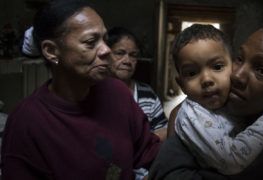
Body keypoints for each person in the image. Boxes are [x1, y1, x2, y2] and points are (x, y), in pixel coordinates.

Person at [149, 21, 263, 180]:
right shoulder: (225, 114)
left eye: (261, 71)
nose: (236, 75)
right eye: (239, 58)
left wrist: (173, 148)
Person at [1, 1, 160, 179]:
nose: (106, 50)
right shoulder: (27, 122)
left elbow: (150, 152)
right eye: (91, 42)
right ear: (51, 51)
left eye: (105, 40)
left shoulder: (117, 92)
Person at [106, 26, 168, 142]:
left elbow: (163, 129)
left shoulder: (147, 94)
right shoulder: (94, 90)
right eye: (120, 53)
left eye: (133, 55)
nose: (127, 61)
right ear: (106, 54)